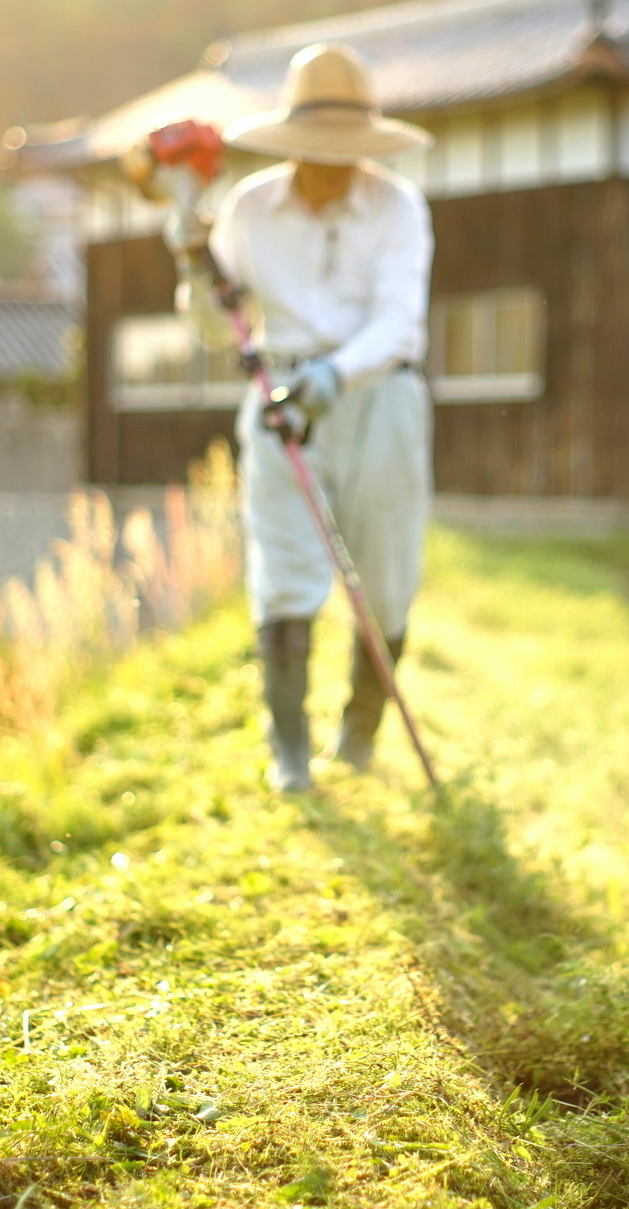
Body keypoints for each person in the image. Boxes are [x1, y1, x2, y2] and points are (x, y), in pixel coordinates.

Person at [175, 42, 434, 793]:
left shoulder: (397, 207)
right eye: (317, 151)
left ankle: (359, 732)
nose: (331, 165)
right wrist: (194, 267)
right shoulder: (250, 208)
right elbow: (216, 326)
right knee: (285, 570)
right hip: (279, 395)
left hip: (379, 394)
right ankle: (289, 747)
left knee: (385, 574)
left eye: (345, 153)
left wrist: (335, 375)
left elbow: (399, 322)